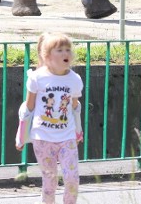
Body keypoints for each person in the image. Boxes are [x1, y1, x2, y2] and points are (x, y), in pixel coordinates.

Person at [18, 32, 84, 204]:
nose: (65, 54)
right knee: (50, 182)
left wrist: (78, 130)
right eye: (60, 50)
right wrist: (21, 136)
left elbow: (75, 108)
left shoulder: (75, 80)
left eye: (68, 49)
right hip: (43, 138)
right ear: (47, 56)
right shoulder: (37, 78)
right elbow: (28, 108)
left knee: (72, 179)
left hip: (67, 138)